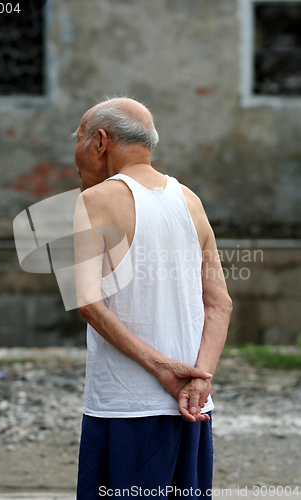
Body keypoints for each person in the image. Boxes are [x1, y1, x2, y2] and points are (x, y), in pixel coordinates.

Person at [72, 97, 232, 499]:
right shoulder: (190, 201)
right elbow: (219, 303)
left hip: (126, 408)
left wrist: (162, 368)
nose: (75, 151)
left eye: (78, 138)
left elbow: (88, 302)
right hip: (193, 409)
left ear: (101, 142)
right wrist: (200, 381)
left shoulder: (93, 201)